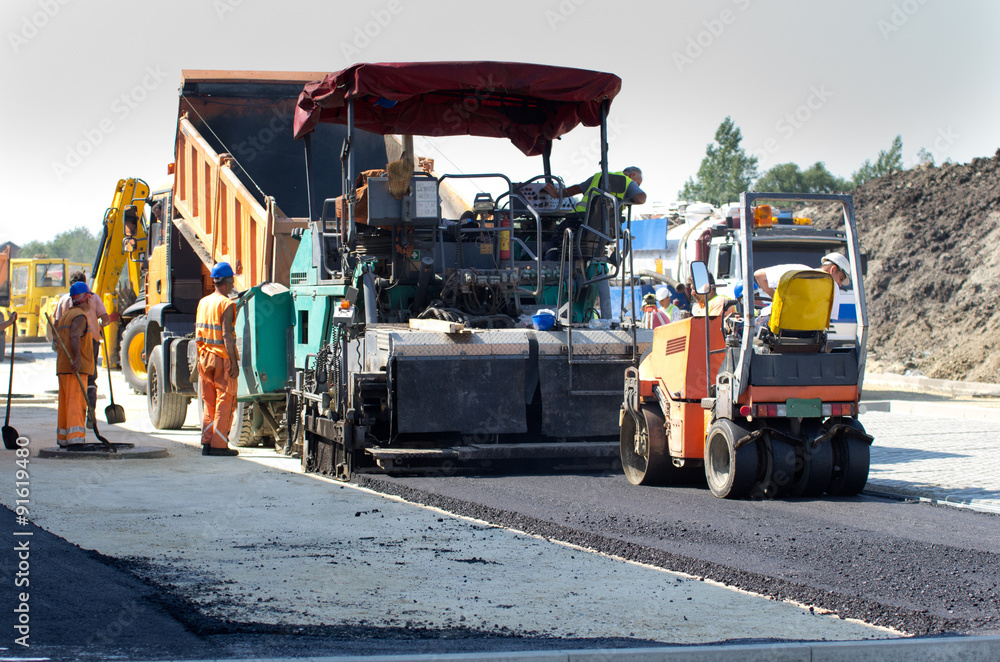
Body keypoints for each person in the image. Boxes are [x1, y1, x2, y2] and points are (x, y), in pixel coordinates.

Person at [53, 273, 117, 428]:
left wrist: (56, 342)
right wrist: (102, 324)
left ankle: (76, 416)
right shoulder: (93, 298)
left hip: (66, 348)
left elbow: (57, 324)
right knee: (89, 378)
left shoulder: (63, 300)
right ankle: (90, 411)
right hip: (89, 343)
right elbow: (105, 319)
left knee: (72, 381)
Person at [540, 167, 646, 260]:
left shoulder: (599, 176)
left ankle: (550, 262)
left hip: (578, 219)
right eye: (638, 183)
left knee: (555, 238)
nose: (637, 186)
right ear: (632, 175)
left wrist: (558, 194)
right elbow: (641, 198)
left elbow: (578, 188)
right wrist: (627, 200)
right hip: (603, 228)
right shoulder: (628, 181)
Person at [196, 262, 240, 457]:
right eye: (232, 281)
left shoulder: (203, 302)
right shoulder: (226, 303)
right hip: (221, 358)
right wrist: (235, 363)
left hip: (204, 358)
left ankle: (207, 442)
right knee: (225, 401)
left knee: (209, 402)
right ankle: (219, 446)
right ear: (228, 281)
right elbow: (227, 336)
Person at [54, 282, 94, 447]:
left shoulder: (66, 315)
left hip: (63, 368)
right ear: (85, 299)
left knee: (65, 404)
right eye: (90, 297)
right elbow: (74, 337)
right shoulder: (79, 316)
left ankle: (64, 439)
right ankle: (76, 439)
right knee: (76, 404)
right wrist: (77, 359)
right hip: (75, 369)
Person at [752, 252, 851, 299]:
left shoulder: (798, 270)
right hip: (812, 333)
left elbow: (758, 275)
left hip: (781, 328)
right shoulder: (833, 292)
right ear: (833, 269)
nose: (840, 284)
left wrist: (776, 299)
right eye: (841, 279)